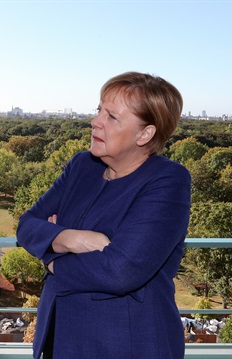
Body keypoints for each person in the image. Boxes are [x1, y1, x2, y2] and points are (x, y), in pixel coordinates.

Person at [17, 72, 191, 359]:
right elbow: (27, 225)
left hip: (126, 343)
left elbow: (120, 271)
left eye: (111, 116)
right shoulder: (82, 166)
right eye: (99, 110)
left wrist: (50, 261)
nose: (95, 121)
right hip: (59, 339)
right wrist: (69, 239)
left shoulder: (168, 181)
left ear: (145, 133)